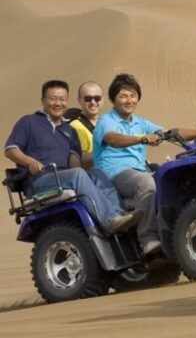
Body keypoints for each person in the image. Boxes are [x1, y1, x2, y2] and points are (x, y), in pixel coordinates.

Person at [4, 80, 138, 233]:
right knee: (78, 175)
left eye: (62, 99)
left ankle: (120, 215)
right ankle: (109, 220)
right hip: (39, 180)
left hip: (65, 178)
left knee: (97, 174)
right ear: (43, 100)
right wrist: (30, 162)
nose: (58, 103)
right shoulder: (29, 122)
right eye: (53, 98)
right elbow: (10, 149)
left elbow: (75, 162)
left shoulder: (70, 130)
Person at [93, 73, 196, 255]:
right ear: (113, 99)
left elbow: (170, 133)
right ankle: (148, 239)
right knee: (147, 183)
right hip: (114, 174)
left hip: (139, 171)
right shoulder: (106, 121)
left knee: (173, 181)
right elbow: (113, 139)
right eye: (123, 96)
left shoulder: (140, 122)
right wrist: (141, 139)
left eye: (133, 95)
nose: (129, 100)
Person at [66, 81, 105, 168]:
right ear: (79, 101)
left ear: (103, 99)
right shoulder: (76, 126)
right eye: (87, 98)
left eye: (97, 98)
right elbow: (80, 160)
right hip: (95, 176)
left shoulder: (107, 123)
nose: (93, 102)